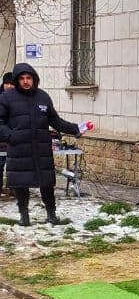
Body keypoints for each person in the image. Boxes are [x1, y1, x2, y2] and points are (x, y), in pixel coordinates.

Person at [0, 62, 93, 226]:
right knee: (21, 184)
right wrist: (11, 136)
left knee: (46, 183)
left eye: (29, 78)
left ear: (34, 79)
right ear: (17, 80)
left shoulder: (42, 97)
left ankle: (51, 215)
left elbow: (55, 121)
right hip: (19, 149)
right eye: (22, 78)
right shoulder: (6, 98)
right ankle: (24, 216)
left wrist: (76, 129)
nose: (26, 81)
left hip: (41, 149)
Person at [0, 71, 14, 199]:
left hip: (13, 137)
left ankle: (13, 188)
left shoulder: (18, 98)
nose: (9, 86)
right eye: (6, 83)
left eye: (11, 84)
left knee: (13, 165)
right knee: (0, 163)